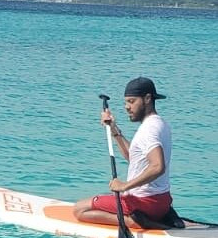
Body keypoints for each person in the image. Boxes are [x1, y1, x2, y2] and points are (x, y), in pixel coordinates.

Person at [74, 77, 173, 226]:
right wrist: (114, 129)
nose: (127, 107)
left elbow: (157, 167)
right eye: (126, 102)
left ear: (147, 99)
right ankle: (150, 218)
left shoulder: (148, 130)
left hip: (143, 203)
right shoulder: (160, 124)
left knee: (79, 209)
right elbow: (133, 157)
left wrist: (124, 186)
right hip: (162, 203)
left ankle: (134, 222)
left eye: (132, 101)